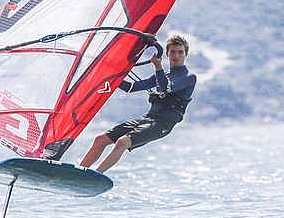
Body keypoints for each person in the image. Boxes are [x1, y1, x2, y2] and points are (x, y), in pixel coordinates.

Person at [79, 34, 197, 173]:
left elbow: (165, 88)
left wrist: (158, 67)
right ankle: (79, 173)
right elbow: (131, 87)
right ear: (167, 53)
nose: (176, 55)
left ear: (185, 54)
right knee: (100, 140)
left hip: (162, 124)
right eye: (173, 52)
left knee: (122, 142)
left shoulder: (188, 77)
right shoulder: (161, 75)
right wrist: (107, 76)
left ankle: (95, 176)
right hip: (147, 118)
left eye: (180, 52)